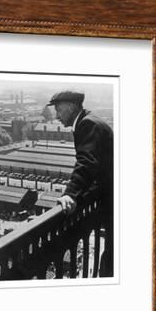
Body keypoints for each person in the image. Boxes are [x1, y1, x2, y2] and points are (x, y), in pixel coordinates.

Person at [46, 91, 114, 276]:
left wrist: (70, 193)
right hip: (110, 195)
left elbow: (87, 162)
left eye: (59, 110)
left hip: (113, 198)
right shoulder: (90, 120)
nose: (57, 116)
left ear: (70, 107)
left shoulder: (87, 124)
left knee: (112, 259)